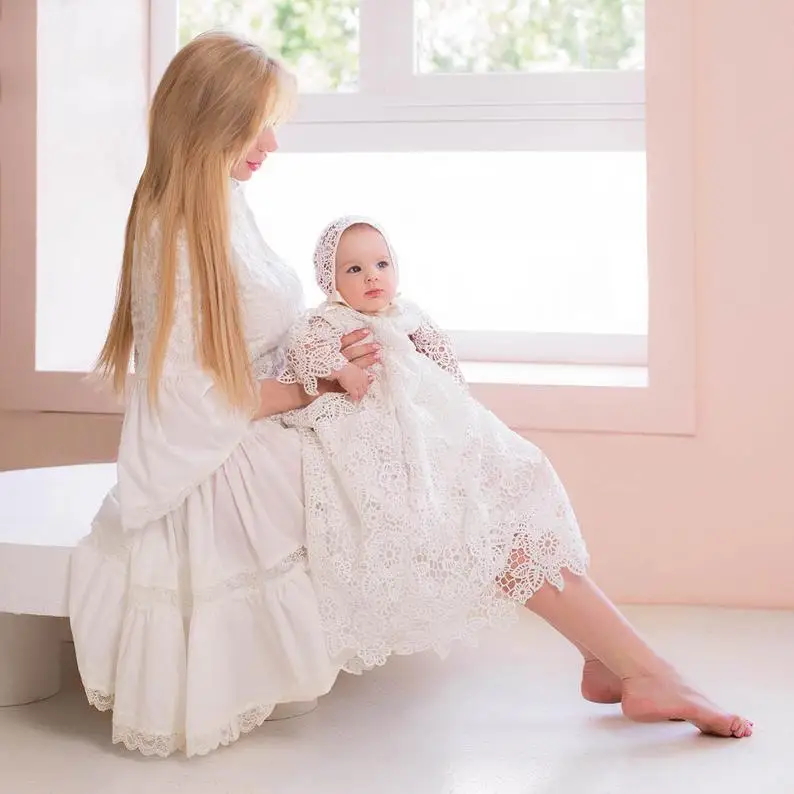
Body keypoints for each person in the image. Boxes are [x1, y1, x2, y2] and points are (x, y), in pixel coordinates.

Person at [68, 31, 752, 760]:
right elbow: (190, 400)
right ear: (207, 121)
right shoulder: (170, 230)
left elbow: (242, 343)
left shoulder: (222, 201)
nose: (271, 143)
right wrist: (316, 384)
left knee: (489, 462)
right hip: (231, 459)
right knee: (465, 483)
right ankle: (640, 668)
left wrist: (336, 350)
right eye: (255, 125)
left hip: (281, 417)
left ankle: (620, 661)